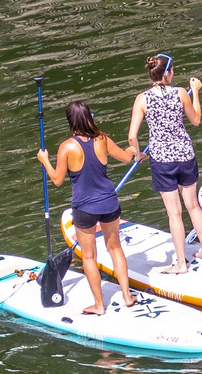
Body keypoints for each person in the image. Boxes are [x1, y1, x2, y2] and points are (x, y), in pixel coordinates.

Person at [37, 101, 138, 315]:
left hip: (85, 209)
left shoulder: (67, 146)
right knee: (115, 249)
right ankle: (127, 296)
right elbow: (128, 157)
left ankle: (100, 306)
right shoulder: (102, 138)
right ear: (89, 117)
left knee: (89, 257)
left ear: (71, 122)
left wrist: (45, 160)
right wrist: (133, 149)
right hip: (109, 203)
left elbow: (57, 180)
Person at [127, 53, 202, 273]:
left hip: (162, 161)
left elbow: (131, 137)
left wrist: (137, 154)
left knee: (174, 214)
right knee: (193, 206)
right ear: (168, 73)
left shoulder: (142, 99)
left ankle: (182, 264)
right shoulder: (181, 93)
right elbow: (196, 120)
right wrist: (197, 93)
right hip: (185, 155)